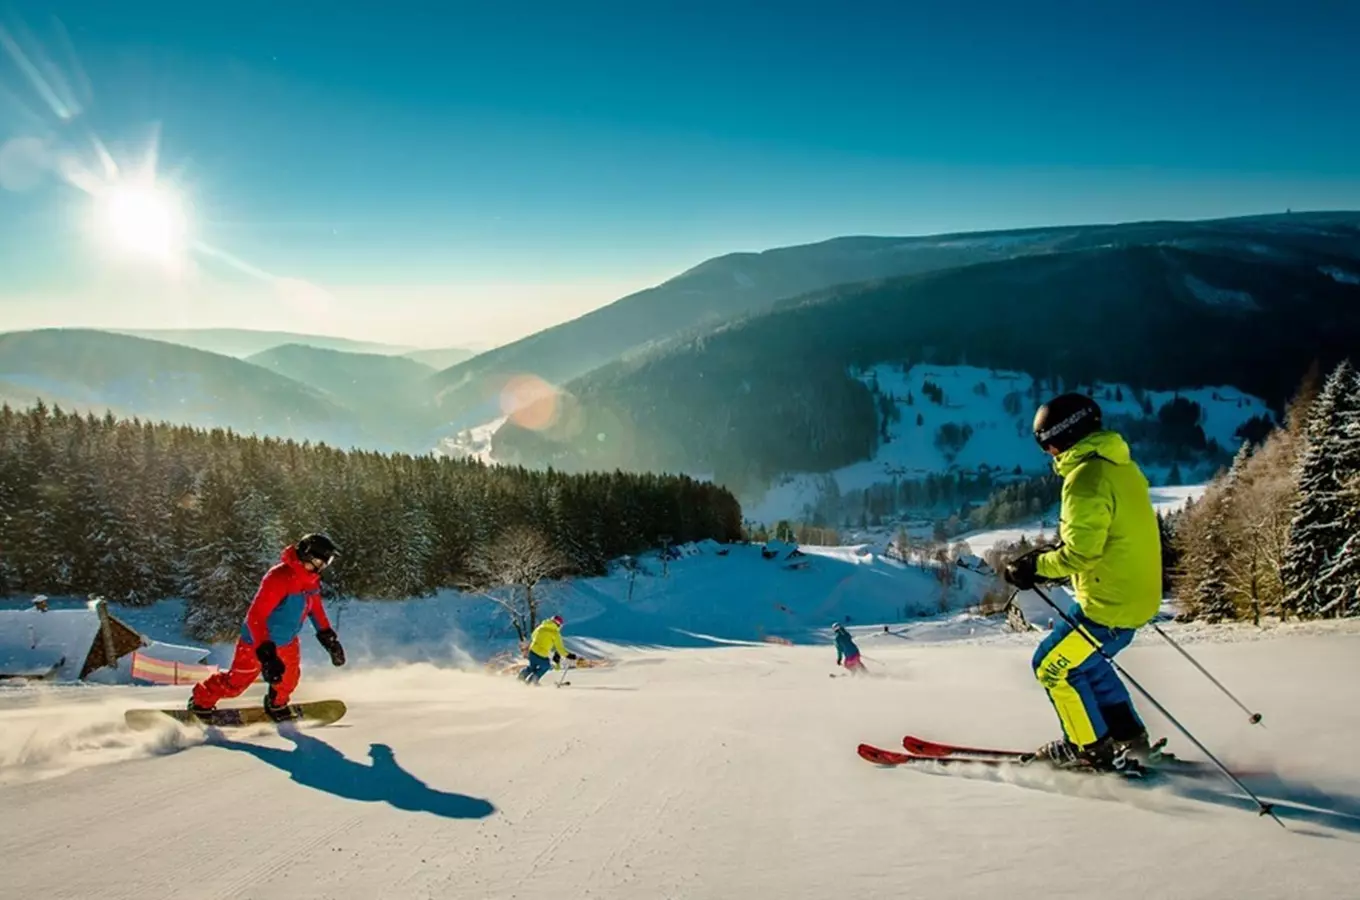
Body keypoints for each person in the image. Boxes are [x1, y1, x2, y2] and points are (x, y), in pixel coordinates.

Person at [1003, 393, 1162, 771]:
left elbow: (1081, 555)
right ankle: (1128, 738)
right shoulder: (1120, 466)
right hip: (1132, 596)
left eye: (1046, 443)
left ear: (1062, 437)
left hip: (1107, 605)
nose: (1048, 453)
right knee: (1088, 663)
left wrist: (1033, 568)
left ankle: (1087, 747)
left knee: (1051, 666)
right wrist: (1049, 555)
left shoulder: (1084, 479)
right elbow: (1106, 536)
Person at [189, 533, 347, 720]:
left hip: (287, 642)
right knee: (235, 685)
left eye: (325, 564)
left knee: (288, 680)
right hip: (257, 643)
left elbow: (316, 610)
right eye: (319, 563)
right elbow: (256, 616)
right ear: (307, 555)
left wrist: (329, 639)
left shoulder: (310, 580)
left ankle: (277, 705)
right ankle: (200, 701)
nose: (321, 568)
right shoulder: (278, 577)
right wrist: (267, 654)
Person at [519, 615, 576, 685]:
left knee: (532, 667)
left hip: (532, 651)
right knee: (546, 666)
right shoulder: (555, 634)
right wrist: (569, 655)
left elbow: (533, 636)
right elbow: (560, 648)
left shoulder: (540, 627)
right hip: (542, 654)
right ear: (558, 624)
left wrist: (539, 643)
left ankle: (520, 679)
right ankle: (532, 680)